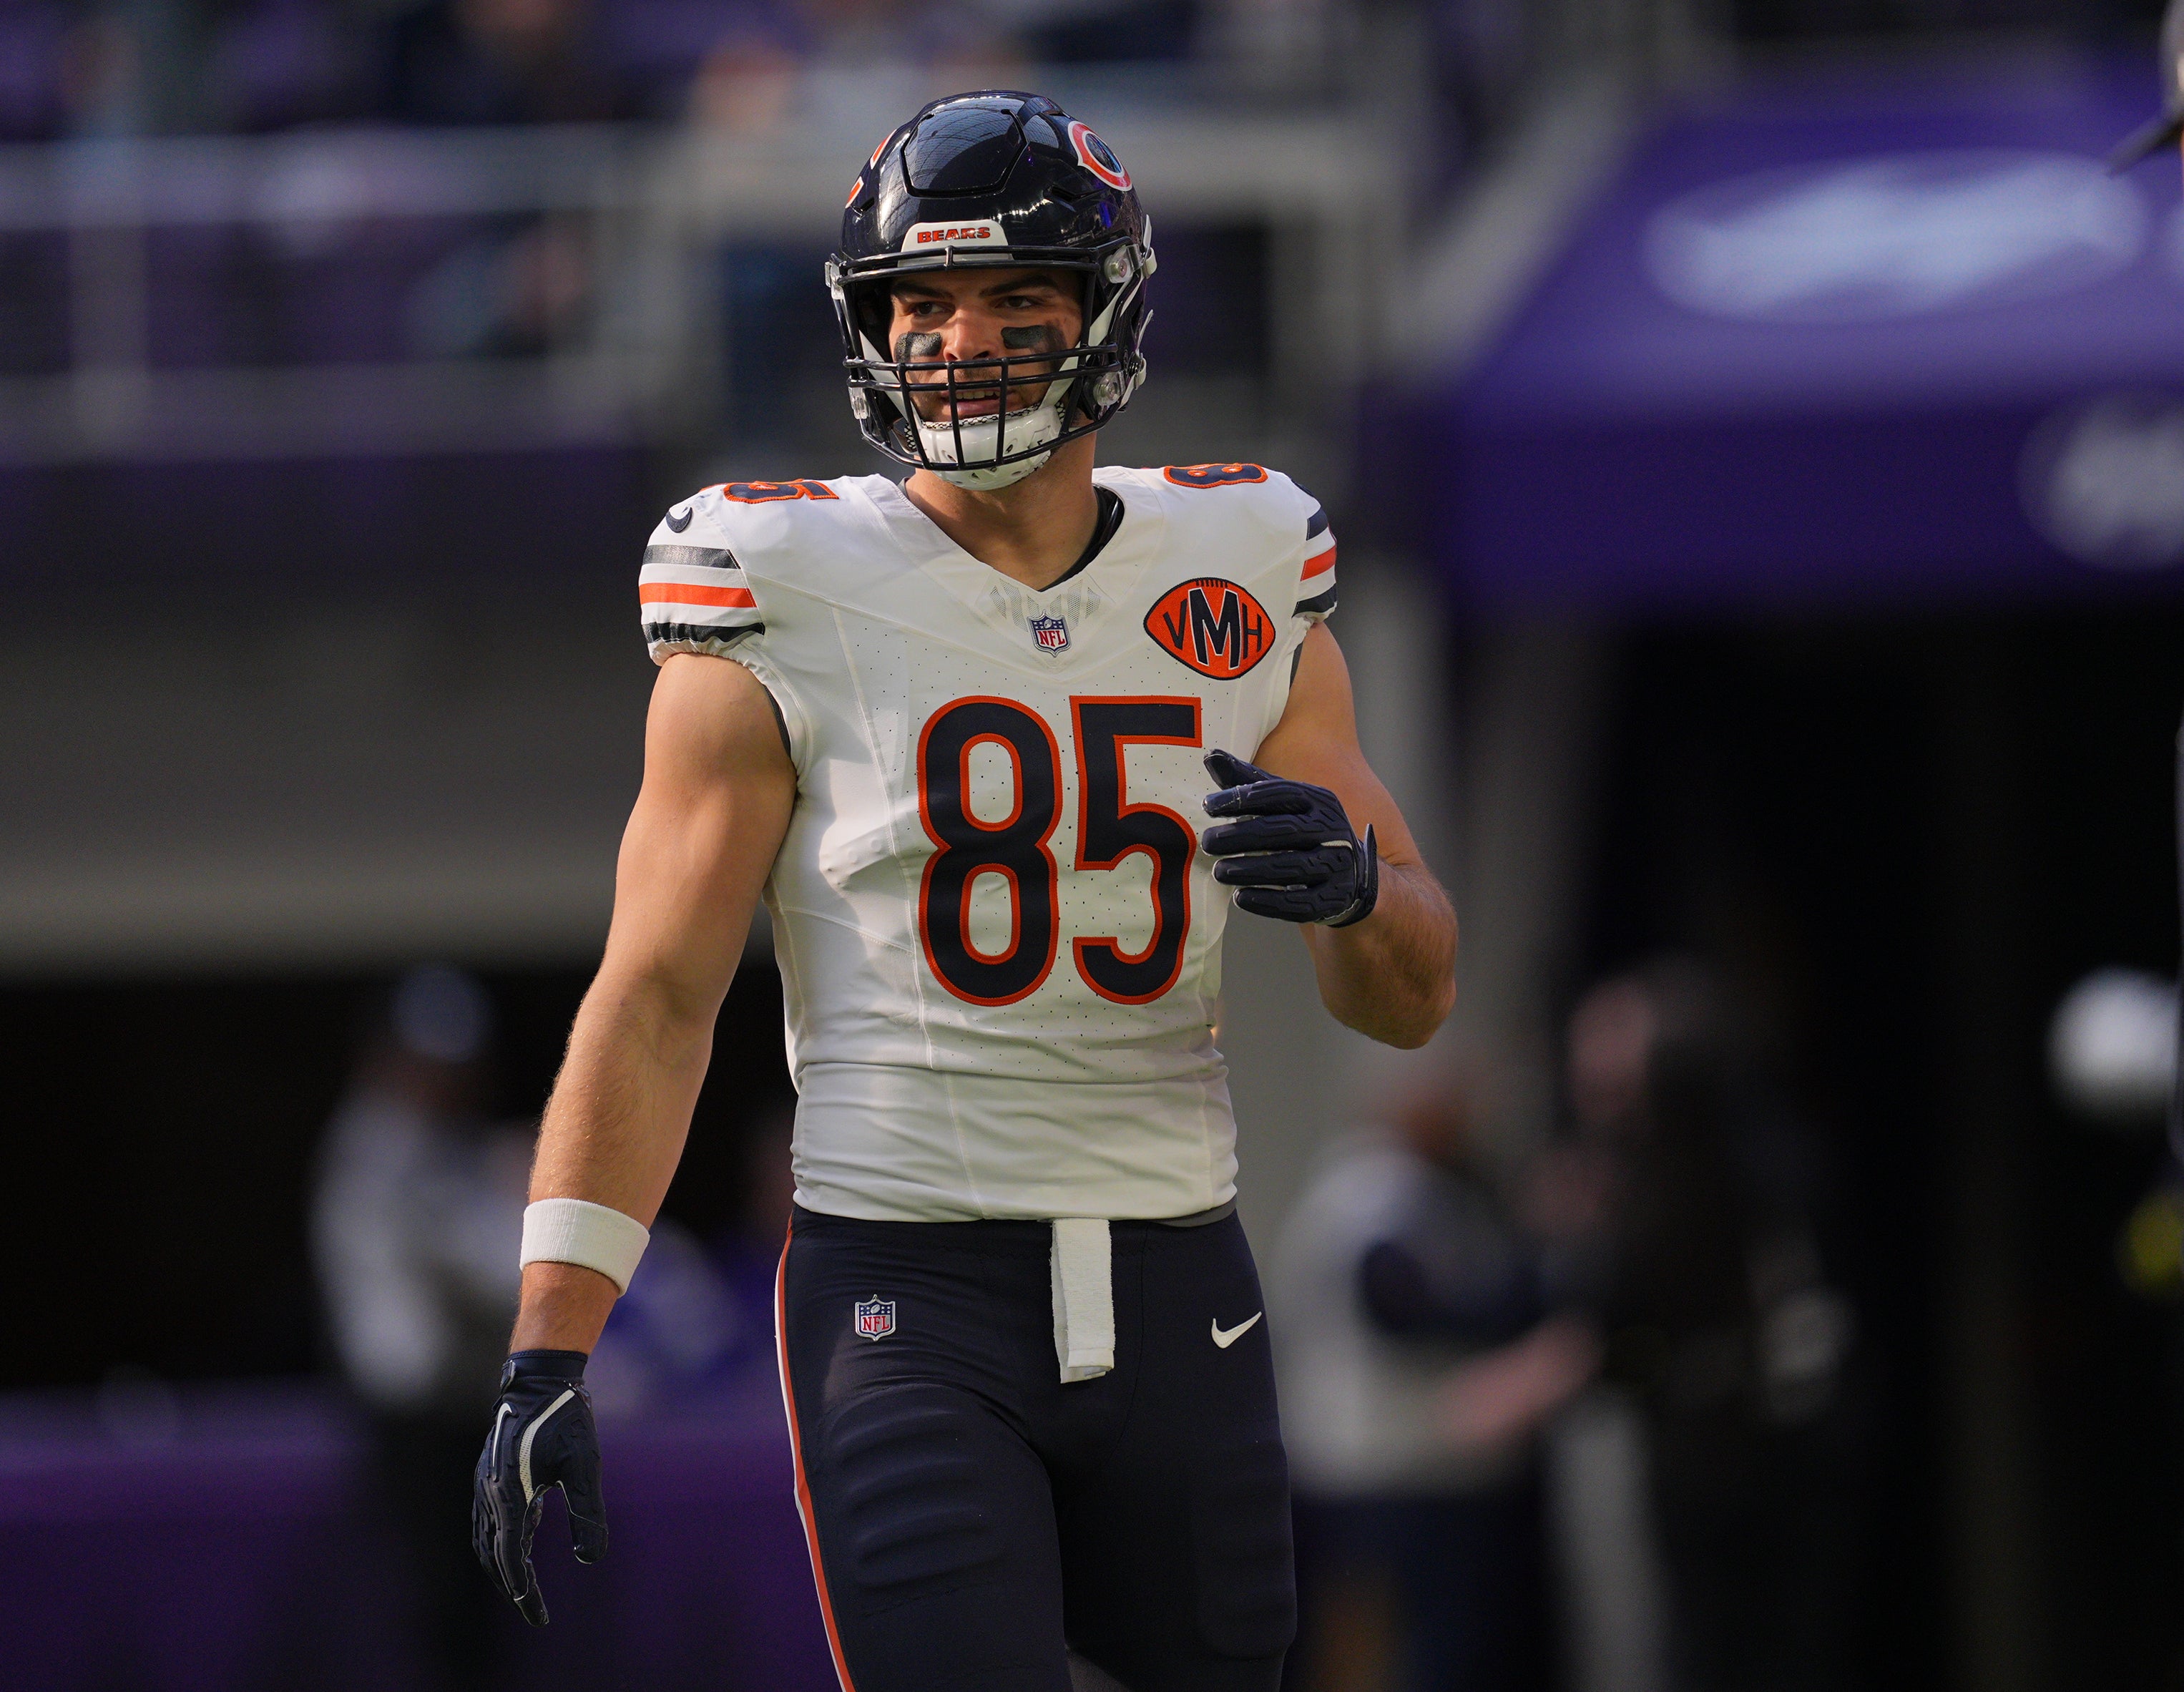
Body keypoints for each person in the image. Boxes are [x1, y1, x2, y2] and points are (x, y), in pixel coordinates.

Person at [465, 89, 1457, 1691]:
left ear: (1102, 315)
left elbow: (1411, 996)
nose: (956, 340)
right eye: (917, 303)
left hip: (1177, 1269)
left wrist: (1355, 897)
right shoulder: (771, 585)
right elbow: (655, 998)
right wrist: (547, 1342)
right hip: (905, 1291)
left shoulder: (1241, 566)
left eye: (1012, 298)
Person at [1275, 1077, 1602, 1692]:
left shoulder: (1357, 1181)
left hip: (1353, 1469)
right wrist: (1535, 1276)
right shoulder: (1380, 1188)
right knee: (1432, 1657)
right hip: (1397, 1474)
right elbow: (1401, 1306)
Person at [313, 964, 531, 1691]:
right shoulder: (379, 1146)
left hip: (453, 1409)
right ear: (388, 1060)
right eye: (427, 1065)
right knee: (431, 1611)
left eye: (454, 1069)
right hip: (407, 1414)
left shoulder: (442, 1147)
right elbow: (485, 1267)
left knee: (473, 1606)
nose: (442, 1083)